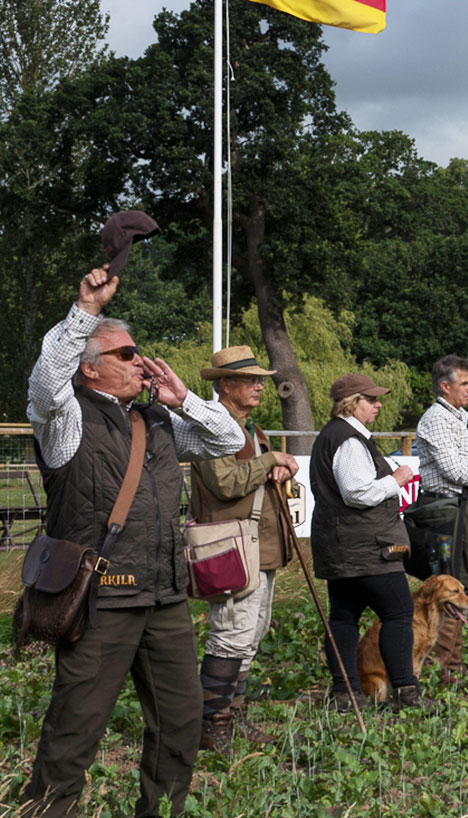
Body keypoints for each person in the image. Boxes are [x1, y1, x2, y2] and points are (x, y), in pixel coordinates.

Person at [21, 262, 244, 817]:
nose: (140, 361)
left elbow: (229, 437)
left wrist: (182, 397)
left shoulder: (159, 421)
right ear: (90, 369)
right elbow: (46, 380)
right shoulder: (66, 419)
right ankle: (46, 811)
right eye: (125, 354)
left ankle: (161, 811)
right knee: (76, 728)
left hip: (164, 597)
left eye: (138, 351)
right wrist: (86, 311)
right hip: (100, 600)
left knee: (180, 722)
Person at [192, 346, 301, 752]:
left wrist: (279, 465)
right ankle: (212, 724)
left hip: (260, 547)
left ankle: (233, 716)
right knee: (230, 635)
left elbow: (253, 475)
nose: (260, 386)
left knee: (251, 635)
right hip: (231, 546)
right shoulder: (212, 426)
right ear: (225, 385)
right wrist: (271, 459)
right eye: (251, 379)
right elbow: (225, 482)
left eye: (260, 379)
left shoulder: (251, 429)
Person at [309, 374, 424, 712]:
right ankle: (407, 692)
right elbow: (357, 493)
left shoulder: (335, 436)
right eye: (370, 400)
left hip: (343, 546)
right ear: (351, 403)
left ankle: (345, 694)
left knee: (344, 618)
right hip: (367, 547)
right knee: (400, 613)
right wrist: (395, 480)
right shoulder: (348, 440)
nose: (378, 404)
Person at [413, 355, 468, 678]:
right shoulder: (437, 418)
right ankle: (441, 668)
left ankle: (453, 665)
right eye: (465, 383)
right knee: (449, 591)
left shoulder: (457, 418)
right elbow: (451, 468)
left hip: (460, 509)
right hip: (444, 512)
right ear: (444, 386)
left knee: (463, 589)